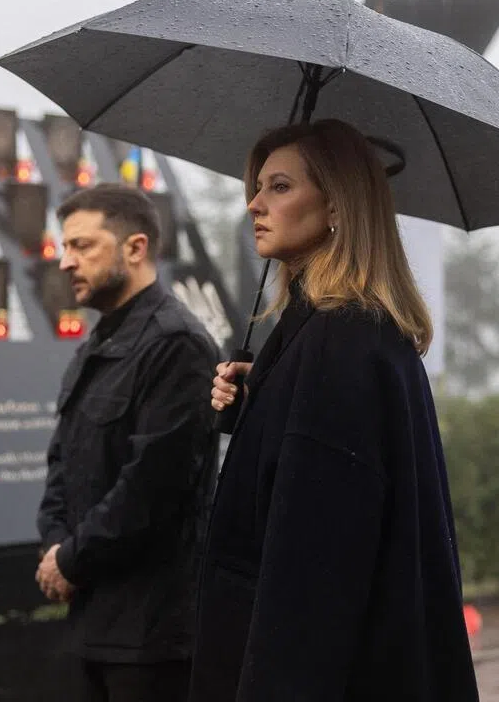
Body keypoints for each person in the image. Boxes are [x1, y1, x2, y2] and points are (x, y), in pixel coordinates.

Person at [188, 119, 480, 701]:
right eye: (258, 187)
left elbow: (314, 568)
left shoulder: (337, 341)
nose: (253, 204)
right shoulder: (353, 333)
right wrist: (263, 398)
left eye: (279, 186)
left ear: (338, 208)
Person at [35, 183, 221, 702]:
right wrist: (55, 549)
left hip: (151, 637)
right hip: (90, 621)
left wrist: (71, 560)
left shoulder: (177, 344)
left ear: (135, 248)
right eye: (65, 247)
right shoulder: (94, 349)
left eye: (83, 246)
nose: (66, 261)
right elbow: (61, 467)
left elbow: (151, 487)